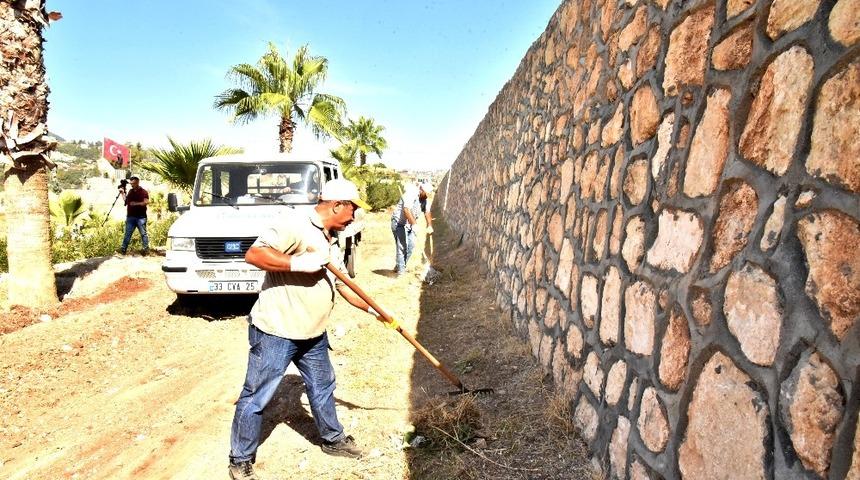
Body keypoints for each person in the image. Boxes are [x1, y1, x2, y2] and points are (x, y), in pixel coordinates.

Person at [228, 179, 385, 480]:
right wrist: (299, 263)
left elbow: (340, 285)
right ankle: (240, 459)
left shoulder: (332, 238)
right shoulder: (294, 223)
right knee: (256, 396)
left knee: (324, 386)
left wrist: (374, 310)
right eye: (352, 209)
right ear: (337, 204)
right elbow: (255, 255)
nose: (353, 216)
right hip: (278, 330)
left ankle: (332, 439)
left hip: (313, 333)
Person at [390, 182, 433, 276]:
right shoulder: (411, 194)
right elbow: (406, 210)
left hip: (410, 225)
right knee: (402, 246)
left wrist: (429, 225)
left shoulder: (425, 199)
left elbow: (427, 212)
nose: (426, 196)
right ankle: (401, 272)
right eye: (426, 194)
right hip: (399, 223)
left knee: (411, 246)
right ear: (421, 189)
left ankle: (399, 265)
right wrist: (414, 224)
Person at [119, 176, 149, 255]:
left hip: (141, 217)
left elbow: (146, 202)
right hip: (130, 217)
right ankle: (123, 249)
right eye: (131, 183)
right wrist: (122, 193)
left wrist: (136, 203)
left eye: (134, 183)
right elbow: (126, 201)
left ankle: (146, 249)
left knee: (143, 234)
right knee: (127, 234)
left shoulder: (144, 192)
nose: (132, 185)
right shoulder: (130, 191)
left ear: (138, 182)